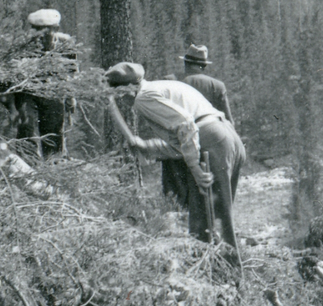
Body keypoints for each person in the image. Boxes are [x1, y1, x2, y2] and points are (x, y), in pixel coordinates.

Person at [105, 62, 245, 260]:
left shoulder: (144, 98)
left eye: (120, 97)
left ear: (125, 92)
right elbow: (182, 141)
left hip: (211, 143)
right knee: (218, 220)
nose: (124, 103)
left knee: (206, 225)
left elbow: (187, 126)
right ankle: (225, 278)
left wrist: (195, 168)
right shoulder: (161, 88)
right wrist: (147, 146)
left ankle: (221, 281)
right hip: (226, 139)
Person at [1, 9, 77, 159]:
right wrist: (10, 106)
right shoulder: (21, 45)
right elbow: (7, 76)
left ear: (56, 28)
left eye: (49, 29)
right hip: (26, 92)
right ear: (32, 29)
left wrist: (70, 97)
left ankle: (54, 165)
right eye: (38, 29)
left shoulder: (65, 44)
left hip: (54, 91)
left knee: (54, 131)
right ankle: (28, 165)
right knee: (27, 128)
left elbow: (71, 71)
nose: (43, 33)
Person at [179, 44, 233, 122]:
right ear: (204, 66)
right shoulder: (218, 86)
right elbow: (228, 120)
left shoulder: (171, 81)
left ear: (185, 63)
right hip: (210, 128)